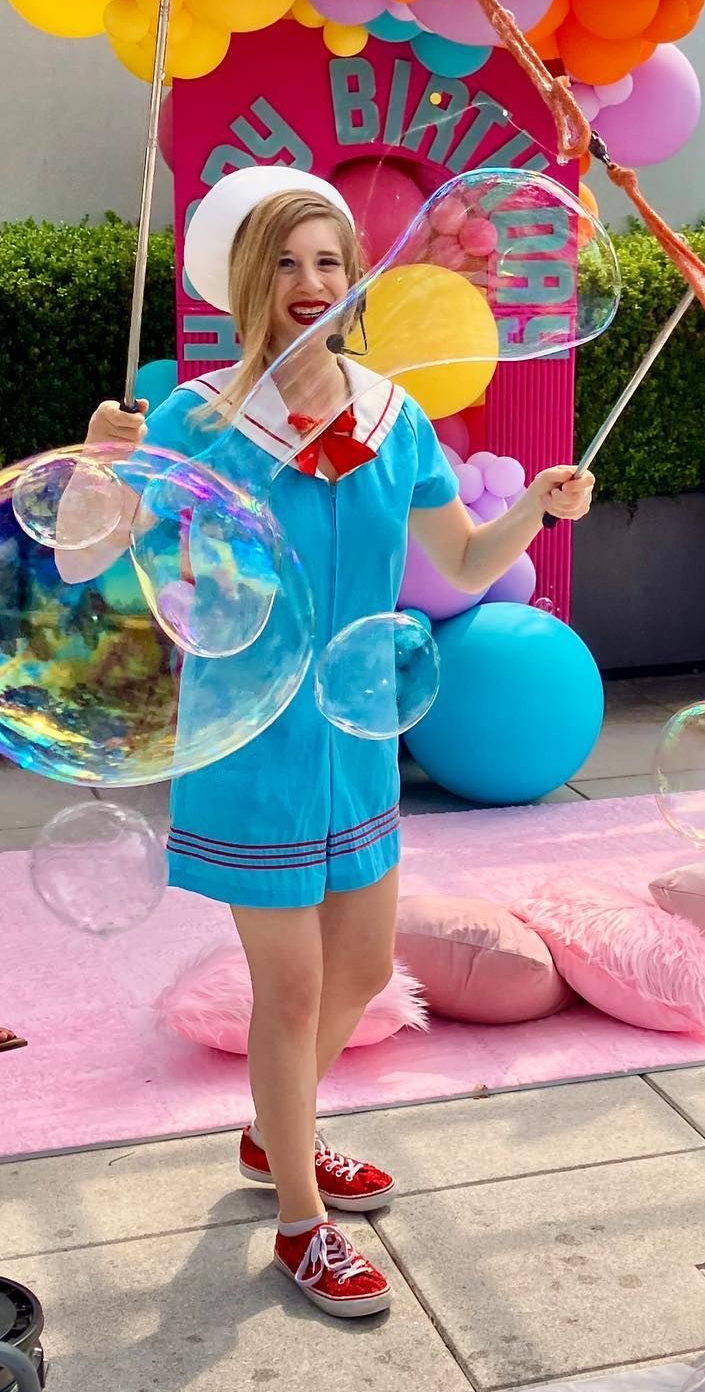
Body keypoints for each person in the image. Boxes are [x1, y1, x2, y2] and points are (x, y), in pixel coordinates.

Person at [80, 174, 594, 1318]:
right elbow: (81, 562)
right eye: (287, 262)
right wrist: (101, 464)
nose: (311, 284)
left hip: (356, 734)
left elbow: (460, 565)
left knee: (364, 971)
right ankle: (300, 1223)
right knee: (298, 988)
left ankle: (279, 1137)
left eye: (329, 262)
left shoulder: (389, 413)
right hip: (248, 741)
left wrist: (537, 510)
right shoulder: (197, 420)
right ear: (249, 282)